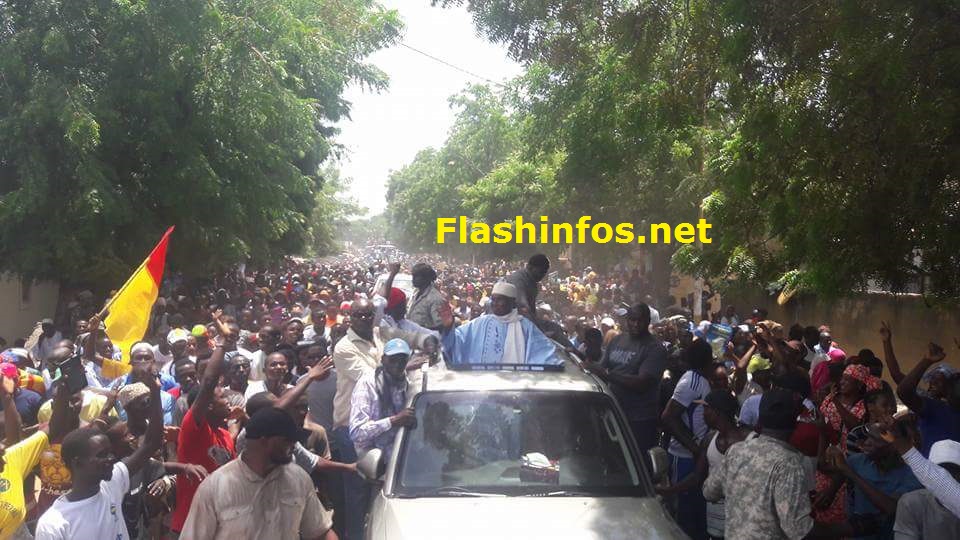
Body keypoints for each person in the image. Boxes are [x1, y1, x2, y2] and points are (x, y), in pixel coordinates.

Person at [330, 299, 430, 540]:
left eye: (368, 314)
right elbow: (372, 375)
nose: (364, 319)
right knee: (358, 497)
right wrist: (405, 366)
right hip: (351, 428)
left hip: (387, 435)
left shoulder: (378, 335)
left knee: (384, 497)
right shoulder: (344, 347)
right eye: (359, 315)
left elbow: (405, 343)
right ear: (349, 318)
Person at [704, 389, 857, 539]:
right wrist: (850, 528)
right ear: (794, 423)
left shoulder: (736, 451)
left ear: (760, 420)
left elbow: (709, 492)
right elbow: (799, 530)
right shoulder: (791, 464)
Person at [35, 373, 164, 539]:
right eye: (102, 455)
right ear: (77, 463)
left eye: (109, 452)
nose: (111, 458)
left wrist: (156, 393)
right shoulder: (53, 524)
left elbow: (150, 444)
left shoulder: (112, 483)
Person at [181, 407, 336, 539]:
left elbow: (320, 532)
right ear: (264, 441)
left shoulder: (299, 479)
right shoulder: (215, 488)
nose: (293, 445)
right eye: (286, 440)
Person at [170, 317, 238, 536]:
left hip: (221, 526)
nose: (228, 401)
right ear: (207, 406)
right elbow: (208, 382)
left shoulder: (225, 436)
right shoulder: (193, 429)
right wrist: (222, 344)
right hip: (192, 526)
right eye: (221, 398)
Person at [658, 389, 751, 540]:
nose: (703, 413)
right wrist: (669, 490)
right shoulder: (709, 440)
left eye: (705, 408)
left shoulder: (750, 440)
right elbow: (697, 477)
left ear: (716, 412)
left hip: (742, 520)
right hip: (716, 521)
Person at [585, 304, 666, 452]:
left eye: (640, 320)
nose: (636, 324)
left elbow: (642, 384)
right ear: (626, 320)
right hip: (613, 415)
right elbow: (600, 368)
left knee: (638, 465)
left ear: (648, 321)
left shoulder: (654, 348)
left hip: (640, 420)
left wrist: (608, 374)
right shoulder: (617, 340)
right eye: (632, 320)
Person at [826, 419, 923, 539]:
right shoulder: (858, 461)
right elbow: (830, 475)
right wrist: (831, 450)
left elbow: (891, 508)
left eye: (875, 440)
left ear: (893, 446)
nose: (867, 442)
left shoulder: (912, 474)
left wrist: (851, 474)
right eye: (868, 437)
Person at [661, 339, 713, 539]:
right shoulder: (691, 383)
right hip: (684, 458)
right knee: (684, 519)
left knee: (697, 516)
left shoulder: (700, 380)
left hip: (696, 458)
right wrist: (695, 448)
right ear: (706, 360)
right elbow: (668, 417)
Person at [440, 281, 560, 366]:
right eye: (493, 299)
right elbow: (456, 341)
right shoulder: (481, 323)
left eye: (500, 300)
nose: (495, 303)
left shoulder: (525, 327)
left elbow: (545, 354)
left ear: (512, 303)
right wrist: (448, 325)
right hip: (481, 387)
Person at [349, 339, 415, 457]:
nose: (398, 364)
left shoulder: (411, 383)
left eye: (402, 359)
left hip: (405, 452)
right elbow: (357, 432)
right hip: (376, 457)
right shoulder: (367, 384)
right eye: (393, 359)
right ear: (383, 359)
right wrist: (393, 421)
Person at [896, 343, 960, 457]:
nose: (933, 383)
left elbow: (903, 391)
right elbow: (903, 390)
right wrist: (927, 360)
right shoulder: (936, 407)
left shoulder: (938, 408)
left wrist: (927, 360)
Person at [504, 254, 549, 320]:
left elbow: (532, 307)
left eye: (545, 272)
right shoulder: (519, 279)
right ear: (530, 267)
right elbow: (522, 306)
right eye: (541, 272)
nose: (543, 275)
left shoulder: (532, 281)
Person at [406, 263, 446, 331]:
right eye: (413, 276)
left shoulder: (435, 298)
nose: (413, 279)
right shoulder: (416, 293)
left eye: (416, 277)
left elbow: (440, 326)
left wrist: (421, 331)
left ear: (426, 278)